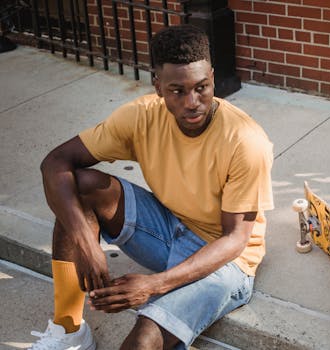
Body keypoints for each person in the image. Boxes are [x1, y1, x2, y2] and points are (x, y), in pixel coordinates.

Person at [31, 24, 274, 350]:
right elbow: (55, 162)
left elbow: (235, 240)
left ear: (213, 77)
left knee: (143, 340)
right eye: (178, 90)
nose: (192, 102)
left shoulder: (245, 141)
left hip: (228, 263)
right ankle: (68, 329)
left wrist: (153, 285)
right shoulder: (141, 117)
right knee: (80, 185)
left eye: (202, 87)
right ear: (157, 85)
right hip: (169, 229)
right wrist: (86, 244)